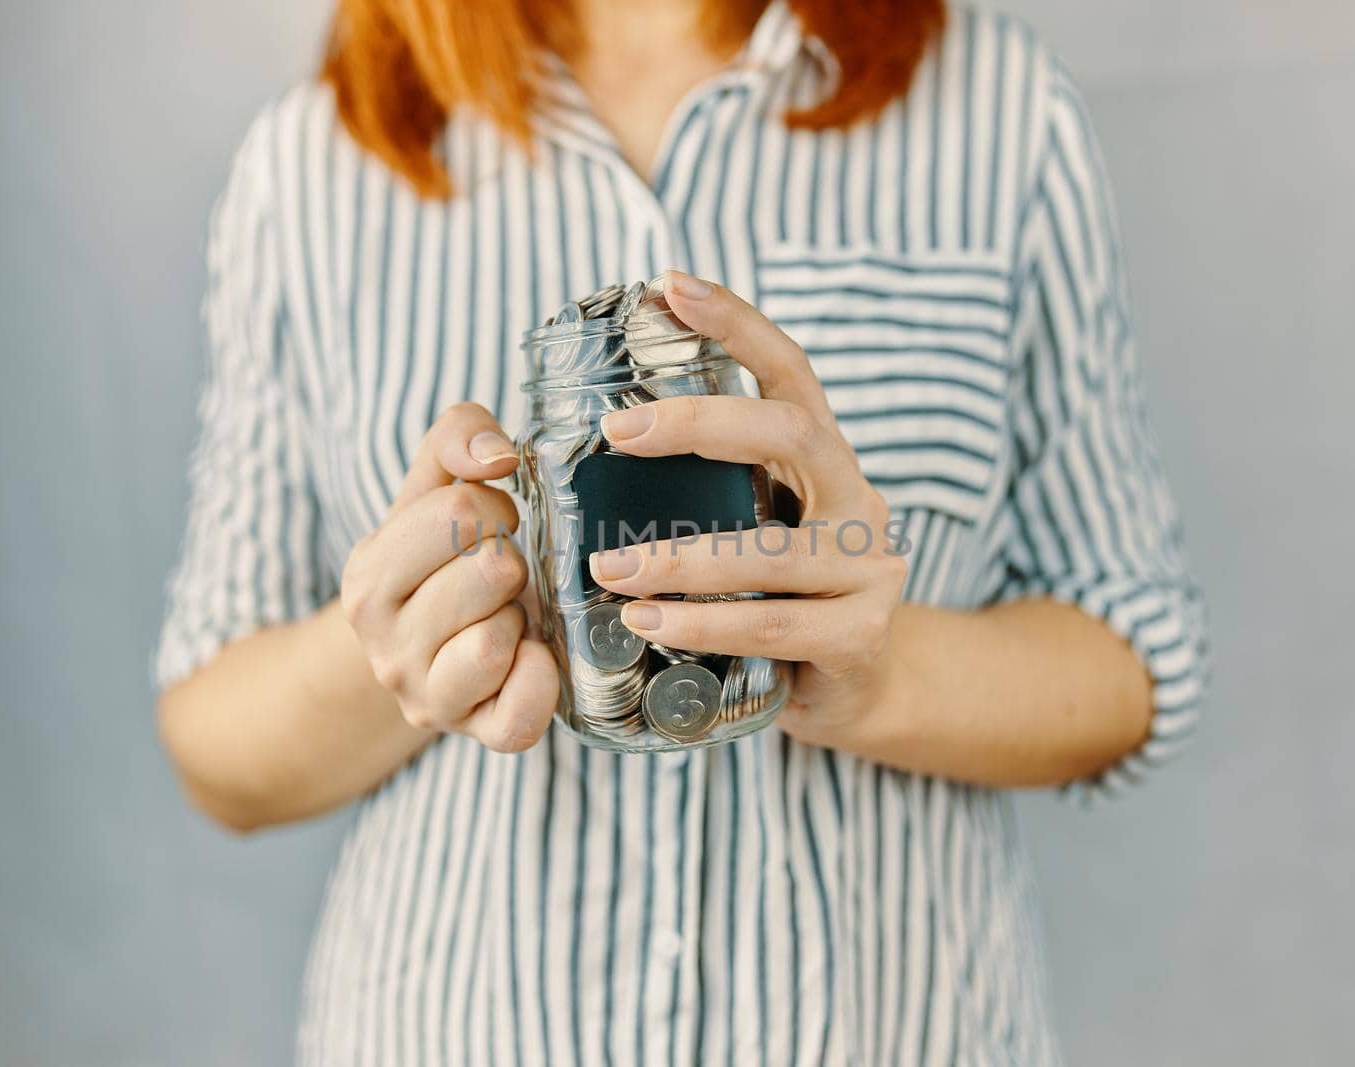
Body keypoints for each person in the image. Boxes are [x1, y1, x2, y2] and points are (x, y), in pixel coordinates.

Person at [154, 0, 1208, 1061]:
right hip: (458, 1021)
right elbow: (215, 745)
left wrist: (882, 674)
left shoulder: (999, 110)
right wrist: (407, 640)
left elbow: (1133, 646)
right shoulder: (309, 167)